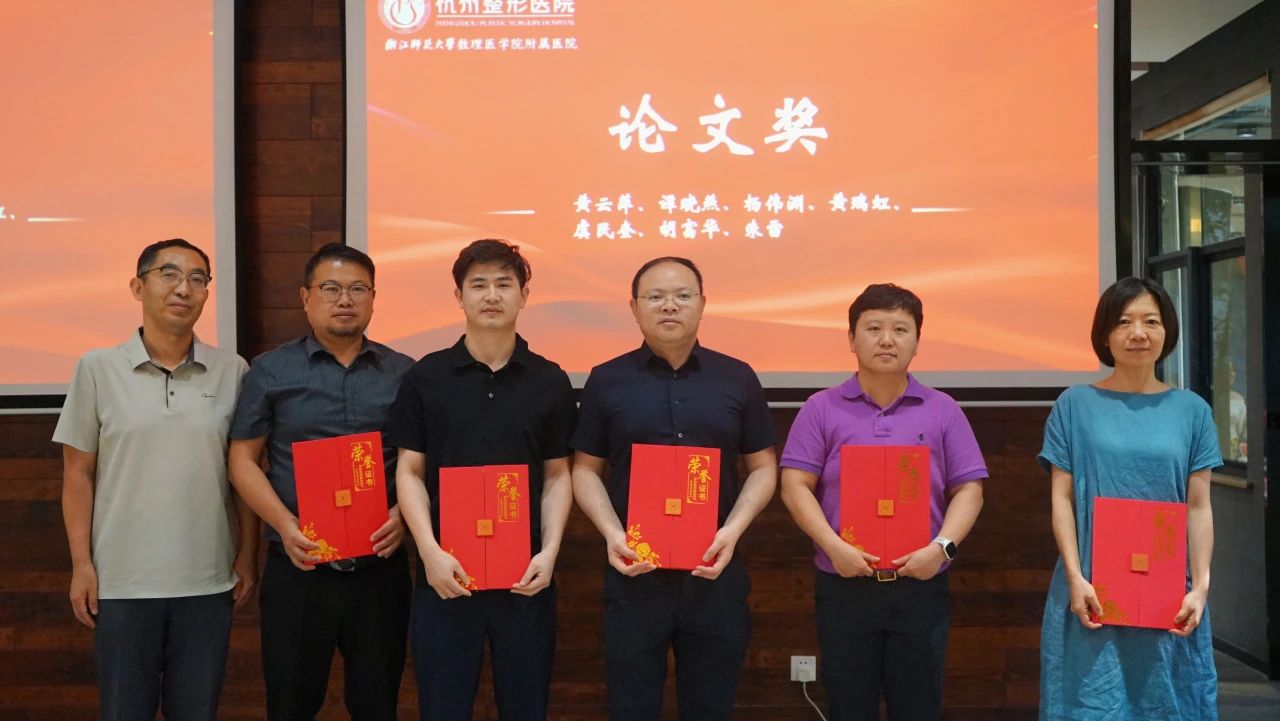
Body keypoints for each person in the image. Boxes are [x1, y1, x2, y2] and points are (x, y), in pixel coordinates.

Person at [54, 238, 257, 721]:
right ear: (137, 286)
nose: (183, 288)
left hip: (207, 583)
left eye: (197, 279)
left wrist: (248, 555)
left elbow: (244, 474)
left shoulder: (232, 371)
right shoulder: (97, 368)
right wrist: (82, 565)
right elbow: (77, 472)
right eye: (169, 274)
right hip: (121, 584)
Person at [570, 256, 778, 721]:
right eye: (656, 296)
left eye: (683, 296)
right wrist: (612, 533)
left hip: (714, 572)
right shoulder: (606, 379)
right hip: (634, 575)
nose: (670, 306)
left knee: (710, 707)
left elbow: (763, 466)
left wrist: (732, 531)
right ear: (634, 307)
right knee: (631, 707)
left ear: (703, 303)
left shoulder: (737, 376)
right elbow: (584, 469)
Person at [385, 239, 576, 721]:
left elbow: (558, 475)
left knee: (526, 707)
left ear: (524, 295)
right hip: (445, 575)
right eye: (479, 285)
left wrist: (549, 553)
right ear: (459, 296)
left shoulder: (550, 380)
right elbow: (409, 471)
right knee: (443, 708)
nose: (492, 295)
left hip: (526, 576)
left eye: (504, 284)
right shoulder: (426, 378)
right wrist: (429, 552)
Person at [779, 283, 987, 721]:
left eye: (900, 329)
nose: (887, 340)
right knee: (848, 706)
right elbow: (794, 485)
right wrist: (834, 547)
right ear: (851, 339)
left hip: (921, 583)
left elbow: (969, 489)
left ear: (917, 341)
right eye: (873, 328)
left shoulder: (943, 409)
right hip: (844, 584)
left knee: (918, 706)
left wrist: (942, 549)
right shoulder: (820, 408)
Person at [228, 243, 414, 721]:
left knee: (377, 705)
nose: (344, 299)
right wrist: (285, 526)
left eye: (357, 289)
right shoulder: (271, 370)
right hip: (299, 569)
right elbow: (242, 461)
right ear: (305, 297)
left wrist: (404, 517)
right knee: (290, 704)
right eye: (331, 288)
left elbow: (423, 463)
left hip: (380, 568)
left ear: (373, 298)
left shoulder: (404, 373)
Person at [1038, 277, 1220, 720]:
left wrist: (1200, 587)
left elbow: (1199, 507)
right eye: (1124, 322)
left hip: (1169, 593)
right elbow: (1061, 499)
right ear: (1105, 334)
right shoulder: (1074, 405)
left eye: (1150, 321)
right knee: (1090, 704)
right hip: (1092, 592)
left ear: (1167, 331)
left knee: (1169, 702)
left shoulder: (1193, 411)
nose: (1138, 333)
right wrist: (1076, 578)